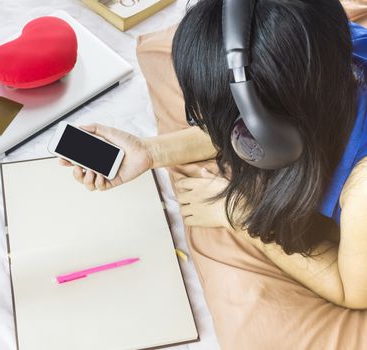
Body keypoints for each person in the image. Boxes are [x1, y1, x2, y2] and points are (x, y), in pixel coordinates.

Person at [59, 0, 367, 348]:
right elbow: (245, 116)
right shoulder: (323, 46)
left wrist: (239, 215)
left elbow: (350, 289)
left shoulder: (363, 190)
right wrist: (150, 151)